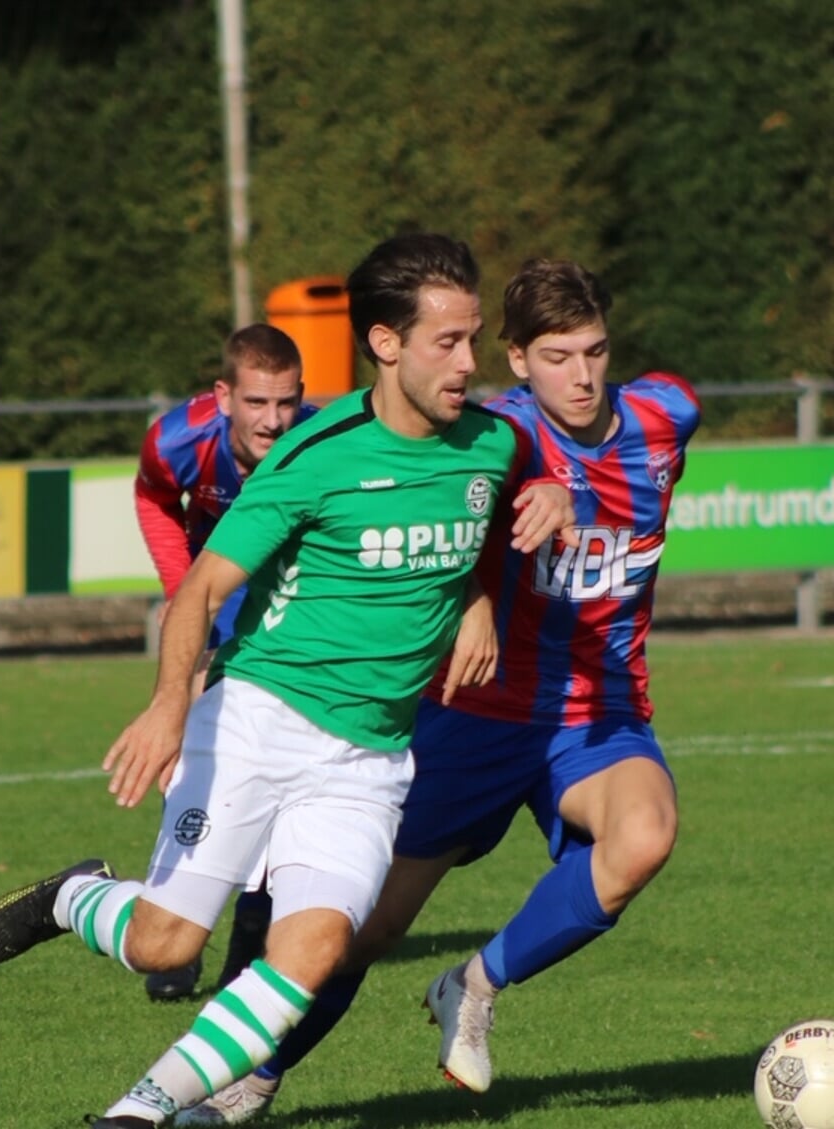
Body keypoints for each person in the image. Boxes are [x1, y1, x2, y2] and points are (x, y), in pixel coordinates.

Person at [0, 233, 575, 1128]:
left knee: (314, 950)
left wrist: (505, 563)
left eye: (472, 338)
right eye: (446, 341)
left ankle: (133, 1114)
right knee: (165, 942)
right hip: (257, 719)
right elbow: (203, 587)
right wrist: (170, 706)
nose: (467, 361)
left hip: (369, 760)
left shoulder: (492, 442)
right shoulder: (313, 455)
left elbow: (517, 495)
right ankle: (72, 895)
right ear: (385, 343)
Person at [177, 259, 701, 1124]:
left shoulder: (666, 415)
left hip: (598, 713)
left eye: (596, 351)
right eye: (558, 356)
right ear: (517, 359)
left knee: (643, 837)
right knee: (363, 928)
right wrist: (480, 590)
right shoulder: (491, 434)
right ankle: (251, 1078)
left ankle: (473, 982)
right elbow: (424, 508)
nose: (581, 374)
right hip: (476, 713)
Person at [131, 324, 316, 1001]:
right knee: (195, 752)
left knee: (275, 761)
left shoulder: (317, 444)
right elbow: (152, 498)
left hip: (281, 600)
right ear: (222, 396)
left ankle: (246, 940)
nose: (273, 420)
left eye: (286, 402)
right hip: (209, 586)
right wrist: (183, 593)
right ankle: (177, 920)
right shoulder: (176, 440)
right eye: (257, 402)